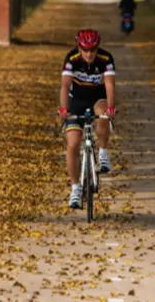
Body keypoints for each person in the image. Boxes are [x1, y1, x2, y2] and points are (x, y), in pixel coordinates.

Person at [57, 29, 117, 209]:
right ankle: (76, 187)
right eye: (85, 50)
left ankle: (103, 152)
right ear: (79, 47)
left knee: (103, 113)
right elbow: (65, 85)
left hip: (98, 97)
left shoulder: (106, 59)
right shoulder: (71, 58)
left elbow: (109, 85)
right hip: (77, 100)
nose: (89, 54)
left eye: (93, 50)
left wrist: (111, 107)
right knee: (73, 143)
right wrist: (63, 108)